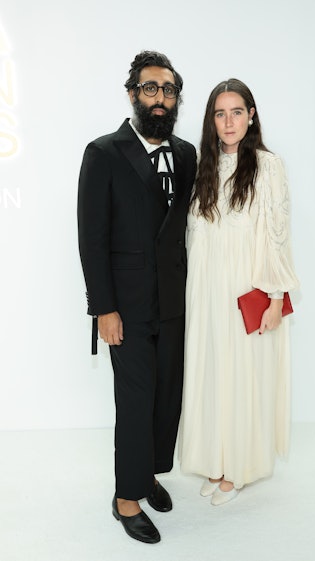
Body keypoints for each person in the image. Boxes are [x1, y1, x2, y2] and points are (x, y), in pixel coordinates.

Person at [77, 51, 196, 543]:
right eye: (151, 88)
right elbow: (91, 238)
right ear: (132, 94)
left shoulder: (188, 154)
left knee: (166, 398)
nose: (160, 99)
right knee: (135, 399)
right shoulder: (104, 152)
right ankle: (126, 498)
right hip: (124, 307)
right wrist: (103, 308)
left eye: (168, 90)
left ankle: (147, 475)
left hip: (173, 301)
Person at [178, 78, 299, 506]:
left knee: (243, 376)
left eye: (236, 112)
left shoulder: (268, 166)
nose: (228, 122)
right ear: (211, 121)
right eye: (219, 113)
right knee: (211, 372)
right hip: (207, 290)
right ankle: (216, 459)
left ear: (251, 116)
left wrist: (276, 297)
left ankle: (240, 467)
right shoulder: (202, 169)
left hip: (245, 289)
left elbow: (276, 236)